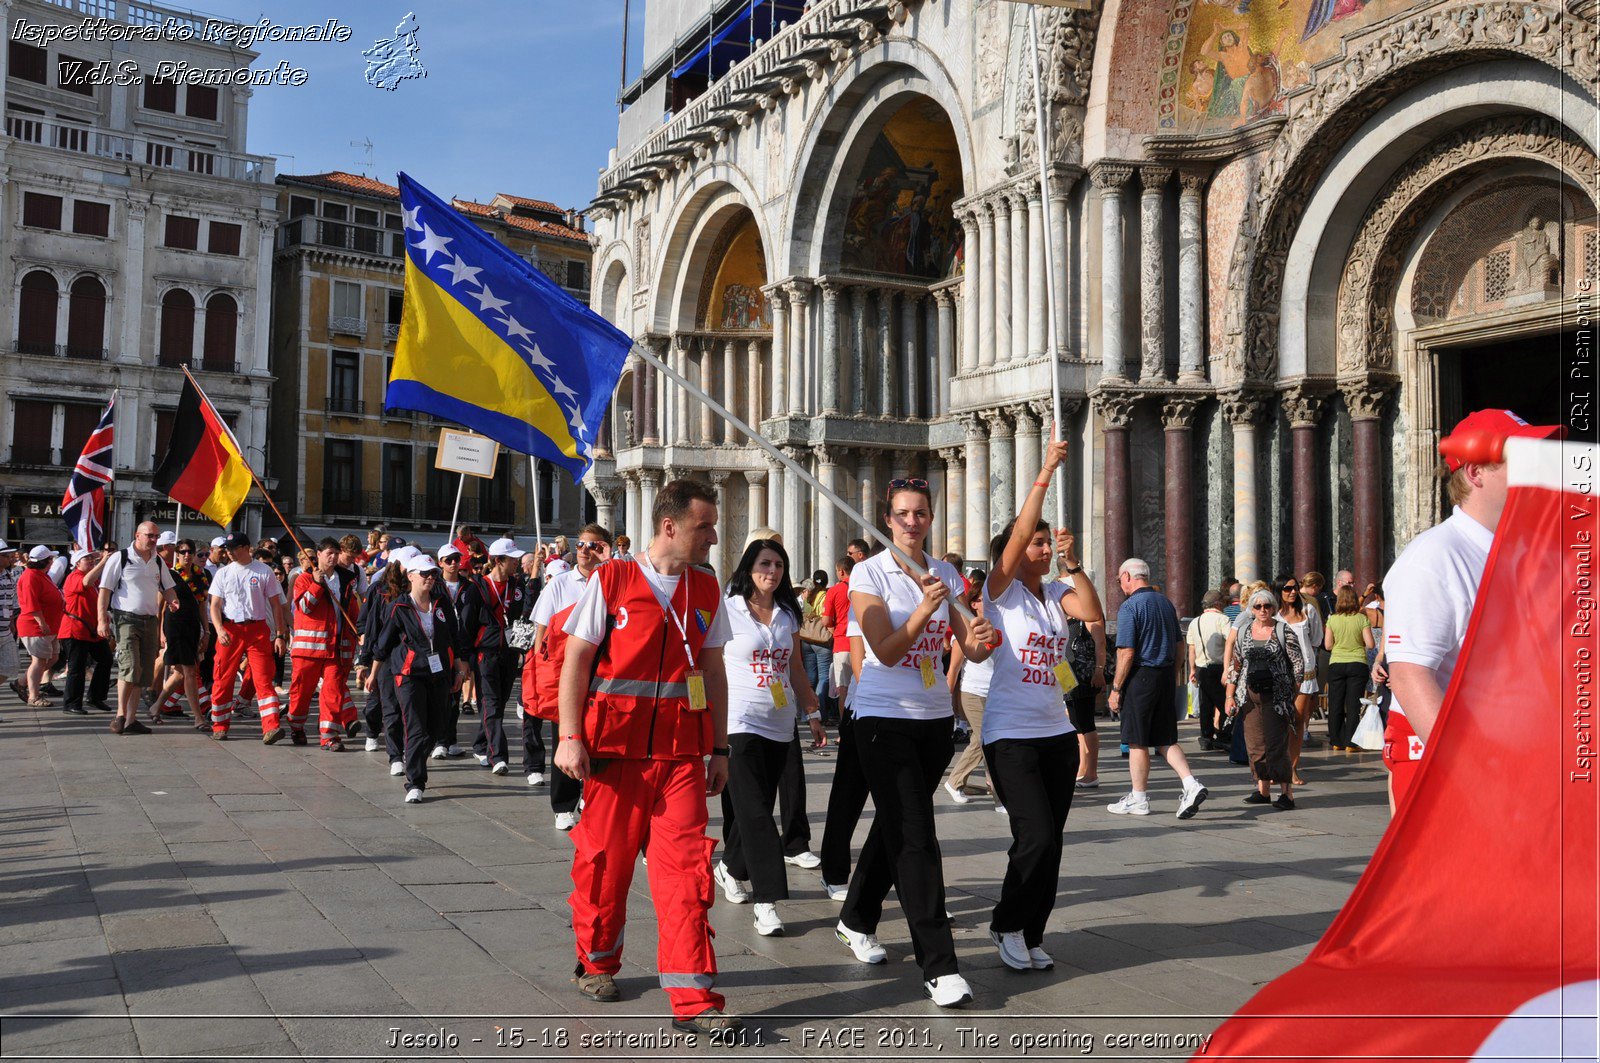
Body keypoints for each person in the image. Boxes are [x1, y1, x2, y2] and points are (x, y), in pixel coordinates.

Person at [553, 478, 741, 1035]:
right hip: (614, 754)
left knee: (687, 875)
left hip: (682, 758)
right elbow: (577, 663)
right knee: (603, 867)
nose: (711, 536)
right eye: (703, 526)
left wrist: (720, 747)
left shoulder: (707, 590)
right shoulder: (611, 580)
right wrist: (569, 735)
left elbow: (713, 675)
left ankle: (694, 999)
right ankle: (596, 961)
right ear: (669, 526)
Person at [836, 477, 996, 1009]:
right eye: (902, 513)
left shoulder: (944, 572)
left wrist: (980, 638)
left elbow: (967, 650)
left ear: (930, 519)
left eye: (921, 513)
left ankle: (856, 917)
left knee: (895, 825)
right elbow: (883, 649)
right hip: (882, 719)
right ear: (888, 520)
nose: (912, 522)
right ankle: (939, 964)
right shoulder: (869, 572)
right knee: (916, 837)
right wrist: (925, 610)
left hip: (932, 721)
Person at [1380, 409, 1559, 811]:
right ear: (1476, 473)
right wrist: (1472, 771)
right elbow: (1410, 675)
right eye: (1524, 459)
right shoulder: (1434, 557)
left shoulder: (1524, 552)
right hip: (1452, 763)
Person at [980, 439, 1105, 971]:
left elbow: (1094, 612)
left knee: (1052, 841)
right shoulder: (999, 591)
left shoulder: (1054, 595)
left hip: (1055, 732)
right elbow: (1014, 543)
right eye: (1036, 542)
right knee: (1032, 834)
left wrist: (1074, 563)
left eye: (1047, 543)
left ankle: (1032, 932)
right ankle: (1006, 922)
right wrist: (1046, 472)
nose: (1044, 548)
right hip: (1009, 733)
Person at [714, 538, 826, 938]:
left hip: (780, 723)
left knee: (756, 806)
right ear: (749, 567)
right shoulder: (727, 610)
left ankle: (729, 866)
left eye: (779, 564)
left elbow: (795, 667)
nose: (772, 571)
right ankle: (767, 900)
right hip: (738, 721)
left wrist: (812, 712)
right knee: (758, 814)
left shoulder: (786, 614)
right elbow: (708, 663)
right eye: (765, 563)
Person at [1106, 558, 1208, 818]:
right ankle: (1190, 783)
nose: (1120, 585)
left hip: (1141, 677)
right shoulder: (1165, 603)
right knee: (1164, 738)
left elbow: (1127, 652)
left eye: (1119, 580)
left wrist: (1116, 688)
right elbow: (1180, 646)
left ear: (1128, 576)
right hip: (1164, 675)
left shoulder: (1130, 607)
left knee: (1137, 740)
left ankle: (1139, 798)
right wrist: (1172, 674)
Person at [524, 524, 610, 827]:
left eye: (593, 545)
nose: (585, 551)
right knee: (566, 735)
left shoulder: (614, 581)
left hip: (605, 675)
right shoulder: (560, 584)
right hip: (566, 673)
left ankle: (592, 796)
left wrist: (610, 564)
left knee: (599, 738)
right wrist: (542, 672)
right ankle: (563, 804)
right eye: (581, 544)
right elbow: (541, 632)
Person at [368, 553, 470, 804]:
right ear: (411, 576)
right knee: (414, 727)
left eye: (433, 574)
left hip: (440, 672)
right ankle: (415, 782)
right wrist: (372, 673)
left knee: (436, 727)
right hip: (409, 674)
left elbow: (454, 637)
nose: (430, 578)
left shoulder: (442, 603)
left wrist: (458, 669)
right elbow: (383, 644)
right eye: (425, 574)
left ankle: (415, 759)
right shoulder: (398, 606)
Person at [1223, 588, 1303, 809]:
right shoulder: (1244, 632)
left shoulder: (1283, 631)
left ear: (1273, 608)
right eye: (1258, 606)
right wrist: (1230, 696)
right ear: (1252, 609)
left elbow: (1298, 665)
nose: (1263, 610)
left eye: (1267, 606)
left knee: (1276, 744)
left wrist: (1290, 694)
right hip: (1248, 696)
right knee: (1255, 744)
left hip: (1276, 697)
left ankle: (1287, 793)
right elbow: (1235, 665)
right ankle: (1263, 790)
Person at [97, 522, 178, 735]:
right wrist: (102, 620)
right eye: (150, 536)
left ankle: (131, 719)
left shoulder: (157, 561)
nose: (153, 540)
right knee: (130, 667)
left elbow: (168, 587)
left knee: (142, 673)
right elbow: (104, 590)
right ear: (137, 535)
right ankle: (121, 715)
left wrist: (173, 600)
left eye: (156, 536)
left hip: (150, 621)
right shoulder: (120, 558)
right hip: (126, 619)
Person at [208, 532, 290, 742]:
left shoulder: (264, 571)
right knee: (223, 677)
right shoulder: (223, 573)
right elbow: (215, 606)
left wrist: (280, 635)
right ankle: (220, 724)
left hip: (257, 629)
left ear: (246, 547)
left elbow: (276, 605)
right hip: (230, 629)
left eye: (233, 548)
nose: (229, 552)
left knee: (263, 678)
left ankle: (271, 727)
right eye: (227, 548)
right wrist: (219, 629)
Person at [287, 538, 361, 750]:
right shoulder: (304, 578)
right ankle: (297, 726)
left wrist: (358, 631)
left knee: (333, 692)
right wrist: (317, 584)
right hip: (308, 650)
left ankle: (329, 736)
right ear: (318, 554)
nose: (333, 557)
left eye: (336, 553)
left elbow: (351, 611)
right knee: (301, 693)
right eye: (329, 552)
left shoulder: (347, 578)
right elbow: (305, 607)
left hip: (334, 648)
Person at [462, 537, 528, 775]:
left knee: (499, 704)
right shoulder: (476, 588)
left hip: (509, 653)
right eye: (513, 559)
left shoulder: (518, 585)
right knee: (490, 703)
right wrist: (465, 660)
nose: (517, 563)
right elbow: (467, 625)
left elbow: (523, 616)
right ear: (499, 561)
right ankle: (497, 756)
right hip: (485, 654)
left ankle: (481, 743)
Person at [357, 547, 418, 772]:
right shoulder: (379, 590)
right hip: (385, 657)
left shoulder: (423, 589)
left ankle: (410, 749)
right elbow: (370, 625)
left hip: (413, 658)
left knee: (412, 708)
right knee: (385, 706)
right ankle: (394, 755)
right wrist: (365, 661)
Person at [944, 578, 994, 805]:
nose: (987, 604)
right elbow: (953, 669)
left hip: (993, 692)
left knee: (983, 738)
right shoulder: (965, 631)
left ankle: (994, 787)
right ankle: (954, 781)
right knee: (984, 738)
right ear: (973, 604)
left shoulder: (994, 625)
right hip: (973, 692)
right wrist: (946, 700)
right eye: (982, 601)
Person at [151, 537, 209, 725]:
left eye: (190, 552)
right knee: (190, 670)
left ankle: (157, 705)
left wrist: (206, 631)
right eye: (182, 551)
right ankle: (198, 718)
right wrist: (160, 632)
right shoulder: (170, 574)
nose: (187, 555)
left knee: (180, 674)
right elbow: (159, 606)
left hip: (193, 626)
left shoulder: (202, 574)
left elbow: (202, 605)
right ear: (176, 554)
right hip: (175, 625)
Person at [1276, 573, 1323, 784]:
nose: (1293, 591)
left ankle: (1292, 767)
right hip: (1279, 672)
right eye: (1287, 588)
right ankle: (1277, 765)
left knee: (1297, 719)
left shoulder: (1307, 610)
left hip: (1304, 672)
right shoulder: (1273, 613)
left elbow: (1316, 638)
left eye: (1295, 587)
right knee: (1279, 721)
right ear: (1279, 591)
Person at [429, 545, 472, 758]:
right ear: (440, 563)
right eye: (449, 560)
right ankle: (439, 740)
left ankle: (451, 739)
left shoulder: (469, 587)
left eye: (457, 559)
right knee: (440, 696)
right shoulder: (434, 587)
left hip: (461, 648)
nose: (454, 563)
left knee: (455, 695)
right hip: (440, 648)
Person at [58, 548, 113, 716]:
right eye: (86, 558)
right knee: (77, 667)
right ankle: (71, 703)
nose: (91, 560)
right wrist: (103, 563)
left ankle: (95, 697)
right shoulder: (74, 577)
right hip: (74, 630)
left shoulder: (94, 582)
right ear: (76, 563)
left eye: (92, 558)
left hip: (91, 631)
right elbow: (86, 582)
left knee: (106, 659)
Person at [1324, 585, 1374, 750]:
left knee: (1336, 703)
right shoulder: (1361, 619)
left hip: (1337, 663)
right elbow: (1370, 643)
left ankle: (1336, 741)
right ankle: (1351, 742)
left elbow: (1328, 645)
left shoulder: (1332, 619)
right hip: (1358, 663)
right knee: (1353, 704)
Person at [17, 545, 64, 706]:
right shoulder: (31, 576)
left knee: (52, 658)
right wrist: (41, 622)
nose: (52, 562)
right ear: (45, 561)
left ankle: (22, 683)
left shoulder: (41, 575)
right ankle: (34, 696)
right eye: (51, 559)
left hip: (49, 626)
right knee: (40, 661)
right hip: (35, 626)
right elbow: (32, 603)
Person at [1186, 590, 1231, 752]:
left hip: (1201, 669)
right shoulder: (1223, 620)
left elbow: (1191, 649)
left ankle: (1206, 737)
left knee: (1205, 705)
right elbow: (1230, 643)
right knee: (1224, 702)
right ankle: (1225, 737)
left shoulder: (1195, 622)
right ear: (1218, 604)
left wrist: (1192, 669)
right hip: (1219, 668)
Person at [821, 557, 854, 727]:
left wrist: (835, 631)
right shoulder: (861, 588)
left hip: (842, 644)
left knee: (844, 690)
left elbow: (826, 620)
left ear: (841, 571)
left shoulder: (834, 590)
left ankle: (845, 728)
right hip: (863, 645)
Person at [0, 541, 19, 697]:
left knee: (11, 666)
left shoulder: (8, 576)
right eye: (6, 556)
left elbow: (10, 602)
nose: (10, 559)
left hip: (5, 630)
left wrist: (11, 621)